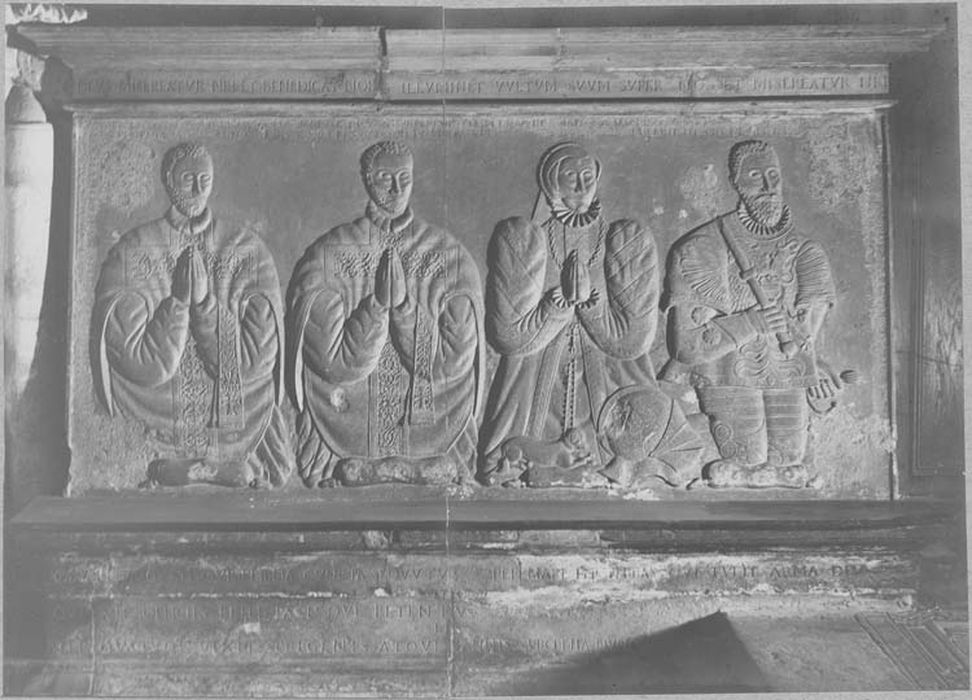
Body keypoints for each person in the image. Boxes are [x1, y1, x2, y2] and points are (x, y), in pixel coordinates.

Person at [480, 141, 696, 488]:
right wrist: (556, 307)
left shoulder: (624, 240)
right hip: (538, 369)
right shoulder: (526, 238)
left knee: (617, 446)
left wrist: (592, 308)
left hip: (610, 370)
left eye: (587, 176)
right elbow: (509, 335)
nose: (581, 186)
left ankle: (606, 468)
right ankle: (533, 469)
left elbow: (635, 338)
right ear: (551, 182)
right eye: (570, 177)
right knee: (523, 442)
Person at [92, 142, 292, 488]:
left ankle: (214, 465)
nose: (199, 189)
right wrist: (178, 304)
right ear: (169, 181)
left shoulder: (246, 250)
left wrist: (204, 307)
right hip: (155, 415)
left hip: (234, 420)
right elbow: (135, 362)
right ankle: (172, 465)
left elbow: (256, 362)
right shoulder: (135, 250)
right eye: (188, 179)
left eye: (205, 179)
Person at [287, 140, 484, 487]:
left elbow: (453, 364)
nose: (396, 189)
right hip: (348, 433)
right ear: (366, 179)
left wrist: (406, 312)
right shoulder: (331, 255)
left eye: (404, 178)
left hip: (431, 440)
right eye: (384, 178)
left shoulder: (447, 256)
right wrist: (376, 309)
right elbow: (328, 363)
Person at [662, 139, 838, 488]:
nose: (769, 187)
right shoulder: (701, 248)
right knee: (747, 459)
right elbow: (687, 348)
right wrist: (751, 322)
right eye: (756, 176)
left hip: (786, 373)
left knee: (788, 462)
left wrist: (817, 368)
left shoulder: (806, 252)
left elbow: (805, 338)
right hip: (726, 371)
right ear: (736, 182)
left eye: (774, 175)